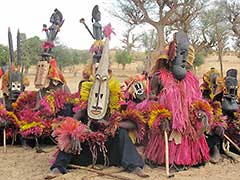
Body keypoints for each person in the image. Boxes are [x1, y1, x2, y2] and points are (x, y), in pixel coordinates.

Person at [45, 37, 148, 180]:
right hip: (86, 153)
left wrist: (112, 125)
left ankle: (135, 166)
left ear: (109, 98)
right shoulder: (83, 111)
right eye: (95, 96)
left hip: (109, 155)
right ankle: (57, 168)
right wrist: (76, 131)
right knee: (70, 136)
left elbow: (134, 123)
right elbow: (68, 122)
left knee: (122, 133)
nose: (97, 101)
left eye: (102, 97)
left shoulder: (112, 112)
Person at [145, 31, 213, 168]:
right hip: (167, 129)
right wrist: (159, 117)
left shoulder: (192, 79)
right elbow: (150, 103)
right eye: (181, 54)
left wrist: (202, 112)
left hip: (188, 130)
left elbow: (197, 101)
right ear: (171, 56)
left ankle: (191, 157)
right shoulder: (158, 78)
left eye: (186, 54)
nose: (184, 59)